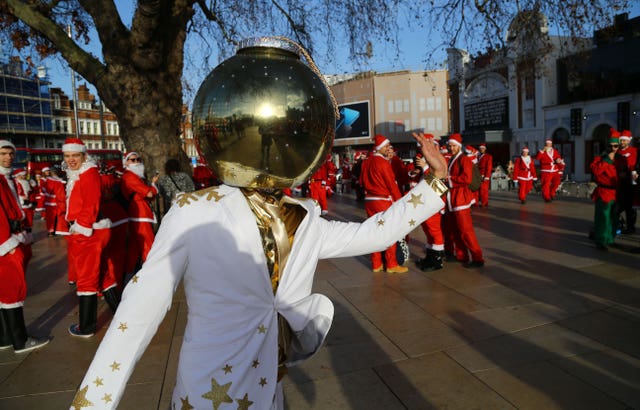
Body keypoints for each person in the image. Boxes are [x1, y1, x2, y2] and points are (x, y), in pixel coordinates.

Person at [71, 132, 448, 410]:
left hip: (268, 382)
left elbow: (372, 235)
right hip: (206, 392)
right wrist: (93, 402)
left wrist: (435, 183)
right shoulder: (194, 210)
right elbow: (141, 307)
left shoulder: (304, 217)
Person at [63, 137, 120, 337]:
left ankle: (86, 327)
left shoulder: (88, 172)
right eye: (67, 156)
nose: (71, 160)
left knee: (86, 279)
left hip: (89, 232)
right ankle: (121, 313)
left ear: (83, 155)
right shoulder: (79, 173)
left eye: (75, 156)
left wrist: (81, 227)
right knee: (103, 274)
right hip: (93, 230)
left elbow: (92, 201)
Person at [0, 139, 50, 353]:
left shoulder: (6, 178)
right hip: (7, 242)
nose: (8, 157)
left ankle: (5, 337)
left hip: (13, 236)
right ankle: (20, 341)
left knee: (4, 292)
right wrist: (7, 244)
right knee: (13, 291)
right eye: (3, 153)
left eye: (11, 153)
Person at [360, 134, 408, 273]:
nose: (388, 148)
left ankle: (376, 264)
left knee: (374, 232)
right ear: (380, 147)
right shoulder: (383, 163)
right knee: (390, 232)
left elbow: (362, 182)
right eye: (386, 146)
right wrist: (400, 202)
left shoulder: (367, 162)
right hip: (382, 201)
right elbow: (391, 185)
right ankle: (391, 264)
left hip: (369, 201)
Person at [442, 133, 485, 268]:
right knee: (455, 230)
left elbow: (466, 178)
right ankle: (462, 255)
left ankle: (478, 258)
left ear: (459, 146)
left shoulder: (464, 159)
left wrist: (449, 179)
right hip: (453, 199)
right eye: (449, 146)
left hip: (461, 199)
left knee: (466, 231)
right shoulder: (453, 159)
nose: (451, 148)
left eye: (453, 145)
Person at [120, 151, 159, 277]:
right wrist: (153, 186)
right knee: (148, 244)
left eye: (138, 159)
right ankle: (152, 273)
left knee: (134, 247)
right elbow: (149, 194)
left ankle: (128, 275)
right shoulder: (130, 176)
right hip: (140, 214)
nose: (136, 162)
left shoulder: (134, 176)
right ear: (126, 162)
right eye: (132, 160)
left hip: (137, 213)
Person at [414, 139, 447, 271]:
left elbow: (439, 181)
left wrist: (425, 168)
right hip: (426, 201)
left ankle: (437, 260)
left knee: (434, 229)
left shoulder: (438, 159)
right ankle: (431, 256)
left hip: (434, 201)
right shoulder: (428, 159)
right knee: (427, 229)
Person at [590, 130, 626, 250]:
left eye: (615, 146)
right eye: (610, 146)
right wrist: (606, 160)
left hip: (617, 192)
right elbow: (596, 172)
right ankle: (601, 241)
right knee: (603, 218)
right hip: (604, 192)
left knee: (614, 218)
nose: (613, 148)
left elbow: (625, 172)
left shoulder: (621, 159)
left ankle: (610, 239)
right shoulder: (600, 159)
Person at [617, 129, 637, 233]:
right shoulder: (617, 152)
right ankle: (618, 224)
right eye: (621, 140)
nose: (622, 142)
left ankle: (630, 227)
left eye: (624, 140)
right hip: (620, 183)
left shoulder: (635, 151)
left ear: (629, 141)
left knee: (630, 207)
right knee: (619, 206)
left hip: (632, 182)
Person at [535, 138, 564, 202]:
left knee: (557, 182)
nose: (548, 144)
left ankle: (551, 193)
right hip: (546, 171)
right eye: (547, 143)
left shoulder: (555, 151)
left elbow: (558, 158)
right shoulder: (542, 151)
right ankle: (546, 197)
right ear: (545, 144)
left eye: (549, 143)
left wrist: (559, 161)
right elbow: (537, 158)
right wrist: (542, 151)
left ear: (551, 144)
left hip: (554, 170)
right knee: (546, 185)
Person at [43, 166, 68, 237]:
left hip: (50, 202)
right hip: (59, 201)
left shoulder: (49, 181)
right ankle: (59, 230)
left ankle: (51, 231)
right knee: (59, 217)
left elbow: (46, 191)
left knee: (50, 218)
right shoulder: (61, 181)